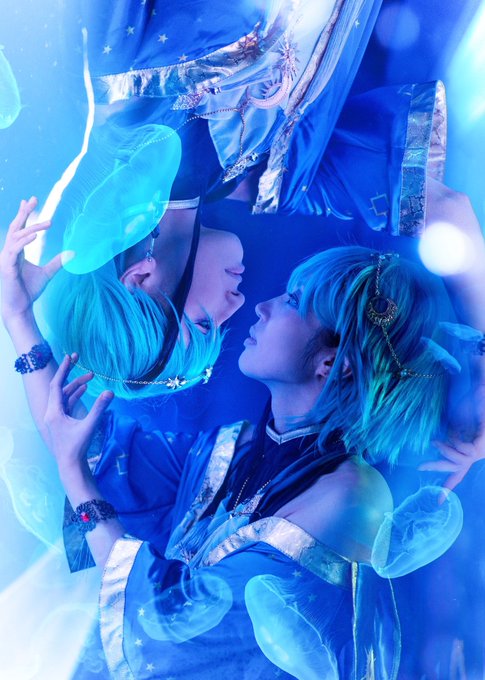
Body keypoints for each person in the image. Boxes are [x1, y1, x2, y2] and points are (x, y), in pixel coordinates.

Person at [34, 243, 461, 679]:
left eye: (293, 301)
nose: (261, 307)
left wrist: (75, 474)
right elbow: (96, 448)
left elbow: (176, 631)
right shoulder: (235, 447)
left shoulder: (351, 497)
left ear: (334, 361)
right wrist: (18, 316)